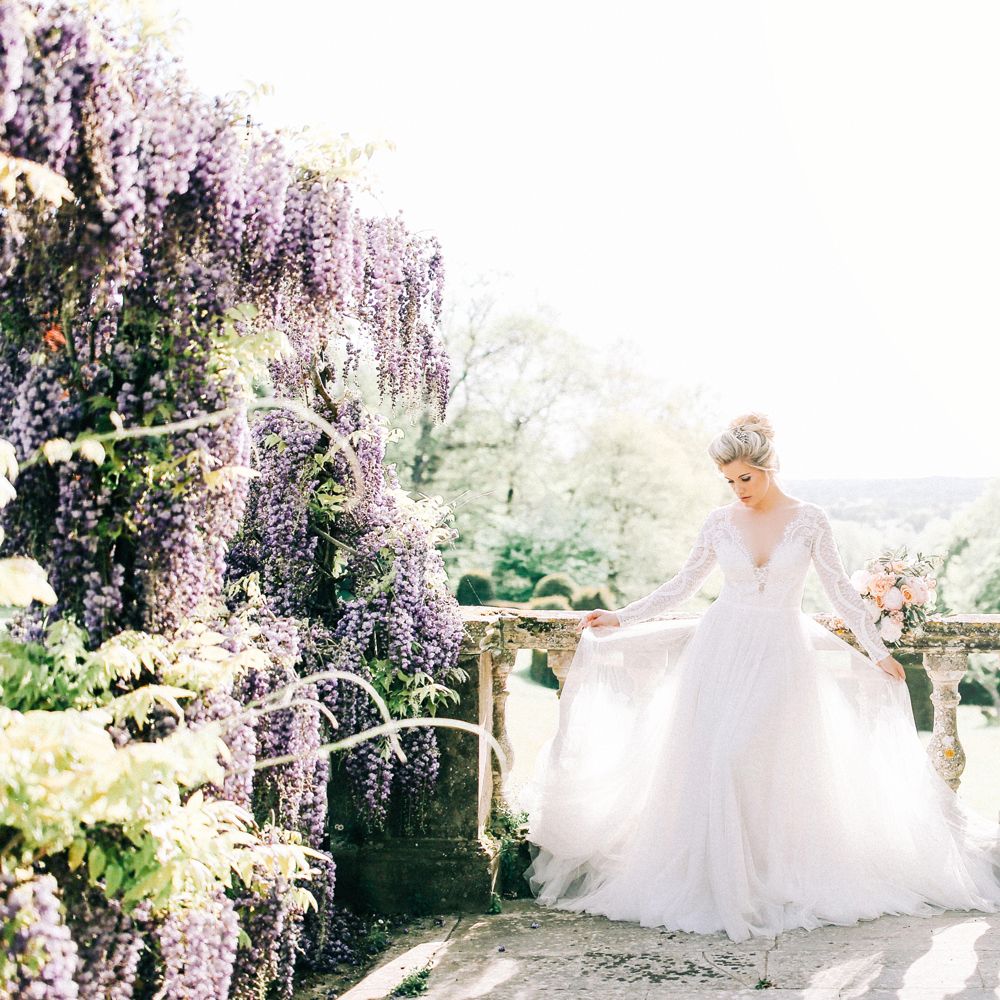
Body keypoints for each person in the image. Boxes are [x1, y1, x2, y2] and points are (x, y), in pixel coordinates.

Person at [519, 412, 1000, 943]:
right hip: (721, 649)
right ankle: (720, 882)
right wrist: (622, 616)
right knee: (716, 757)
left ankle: (767, 876)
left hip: (780, 654)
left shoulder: (810, 519)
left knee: (759, 759)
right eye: (728, 481)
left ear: (769, 466)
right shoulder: (719, 522)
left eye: (744, 477)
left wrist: (876, 650)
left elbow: (840, 591)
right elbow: (682, 585)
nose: (737, 489)